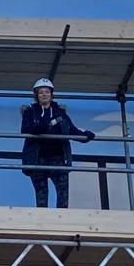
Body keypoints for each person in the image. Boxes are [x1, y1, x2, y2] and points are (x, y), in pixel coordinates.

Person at [20, 78, 95, 209]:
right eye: (41, 92)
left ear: (51, 94)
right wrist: (46, 125)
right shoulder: (30, 112)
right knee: (41, 195)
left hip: (58, 159)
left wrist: (85, 136)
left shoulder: (59, 112)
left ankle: (63, 218)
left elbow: (71, 130)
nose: (44, 94)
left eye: (47, 92)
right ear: (36, 95)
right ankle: (42, 219)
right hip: (37, 159)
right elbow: (26, 129)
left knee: (63, 193)